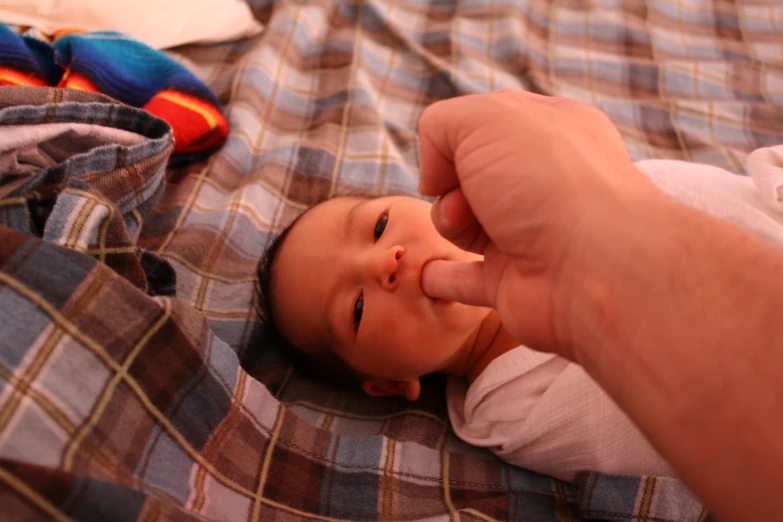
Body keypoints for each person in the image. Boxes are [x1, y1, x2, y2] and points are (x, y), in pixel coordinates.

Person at [256, 89, 783, 520]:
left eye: (377, 226)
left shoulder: (532, 198)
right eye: (356, 310)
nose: (383, 262)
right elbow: (666, 429)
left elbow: (691, 192)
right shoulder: (510, 413)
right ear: (391, 384)